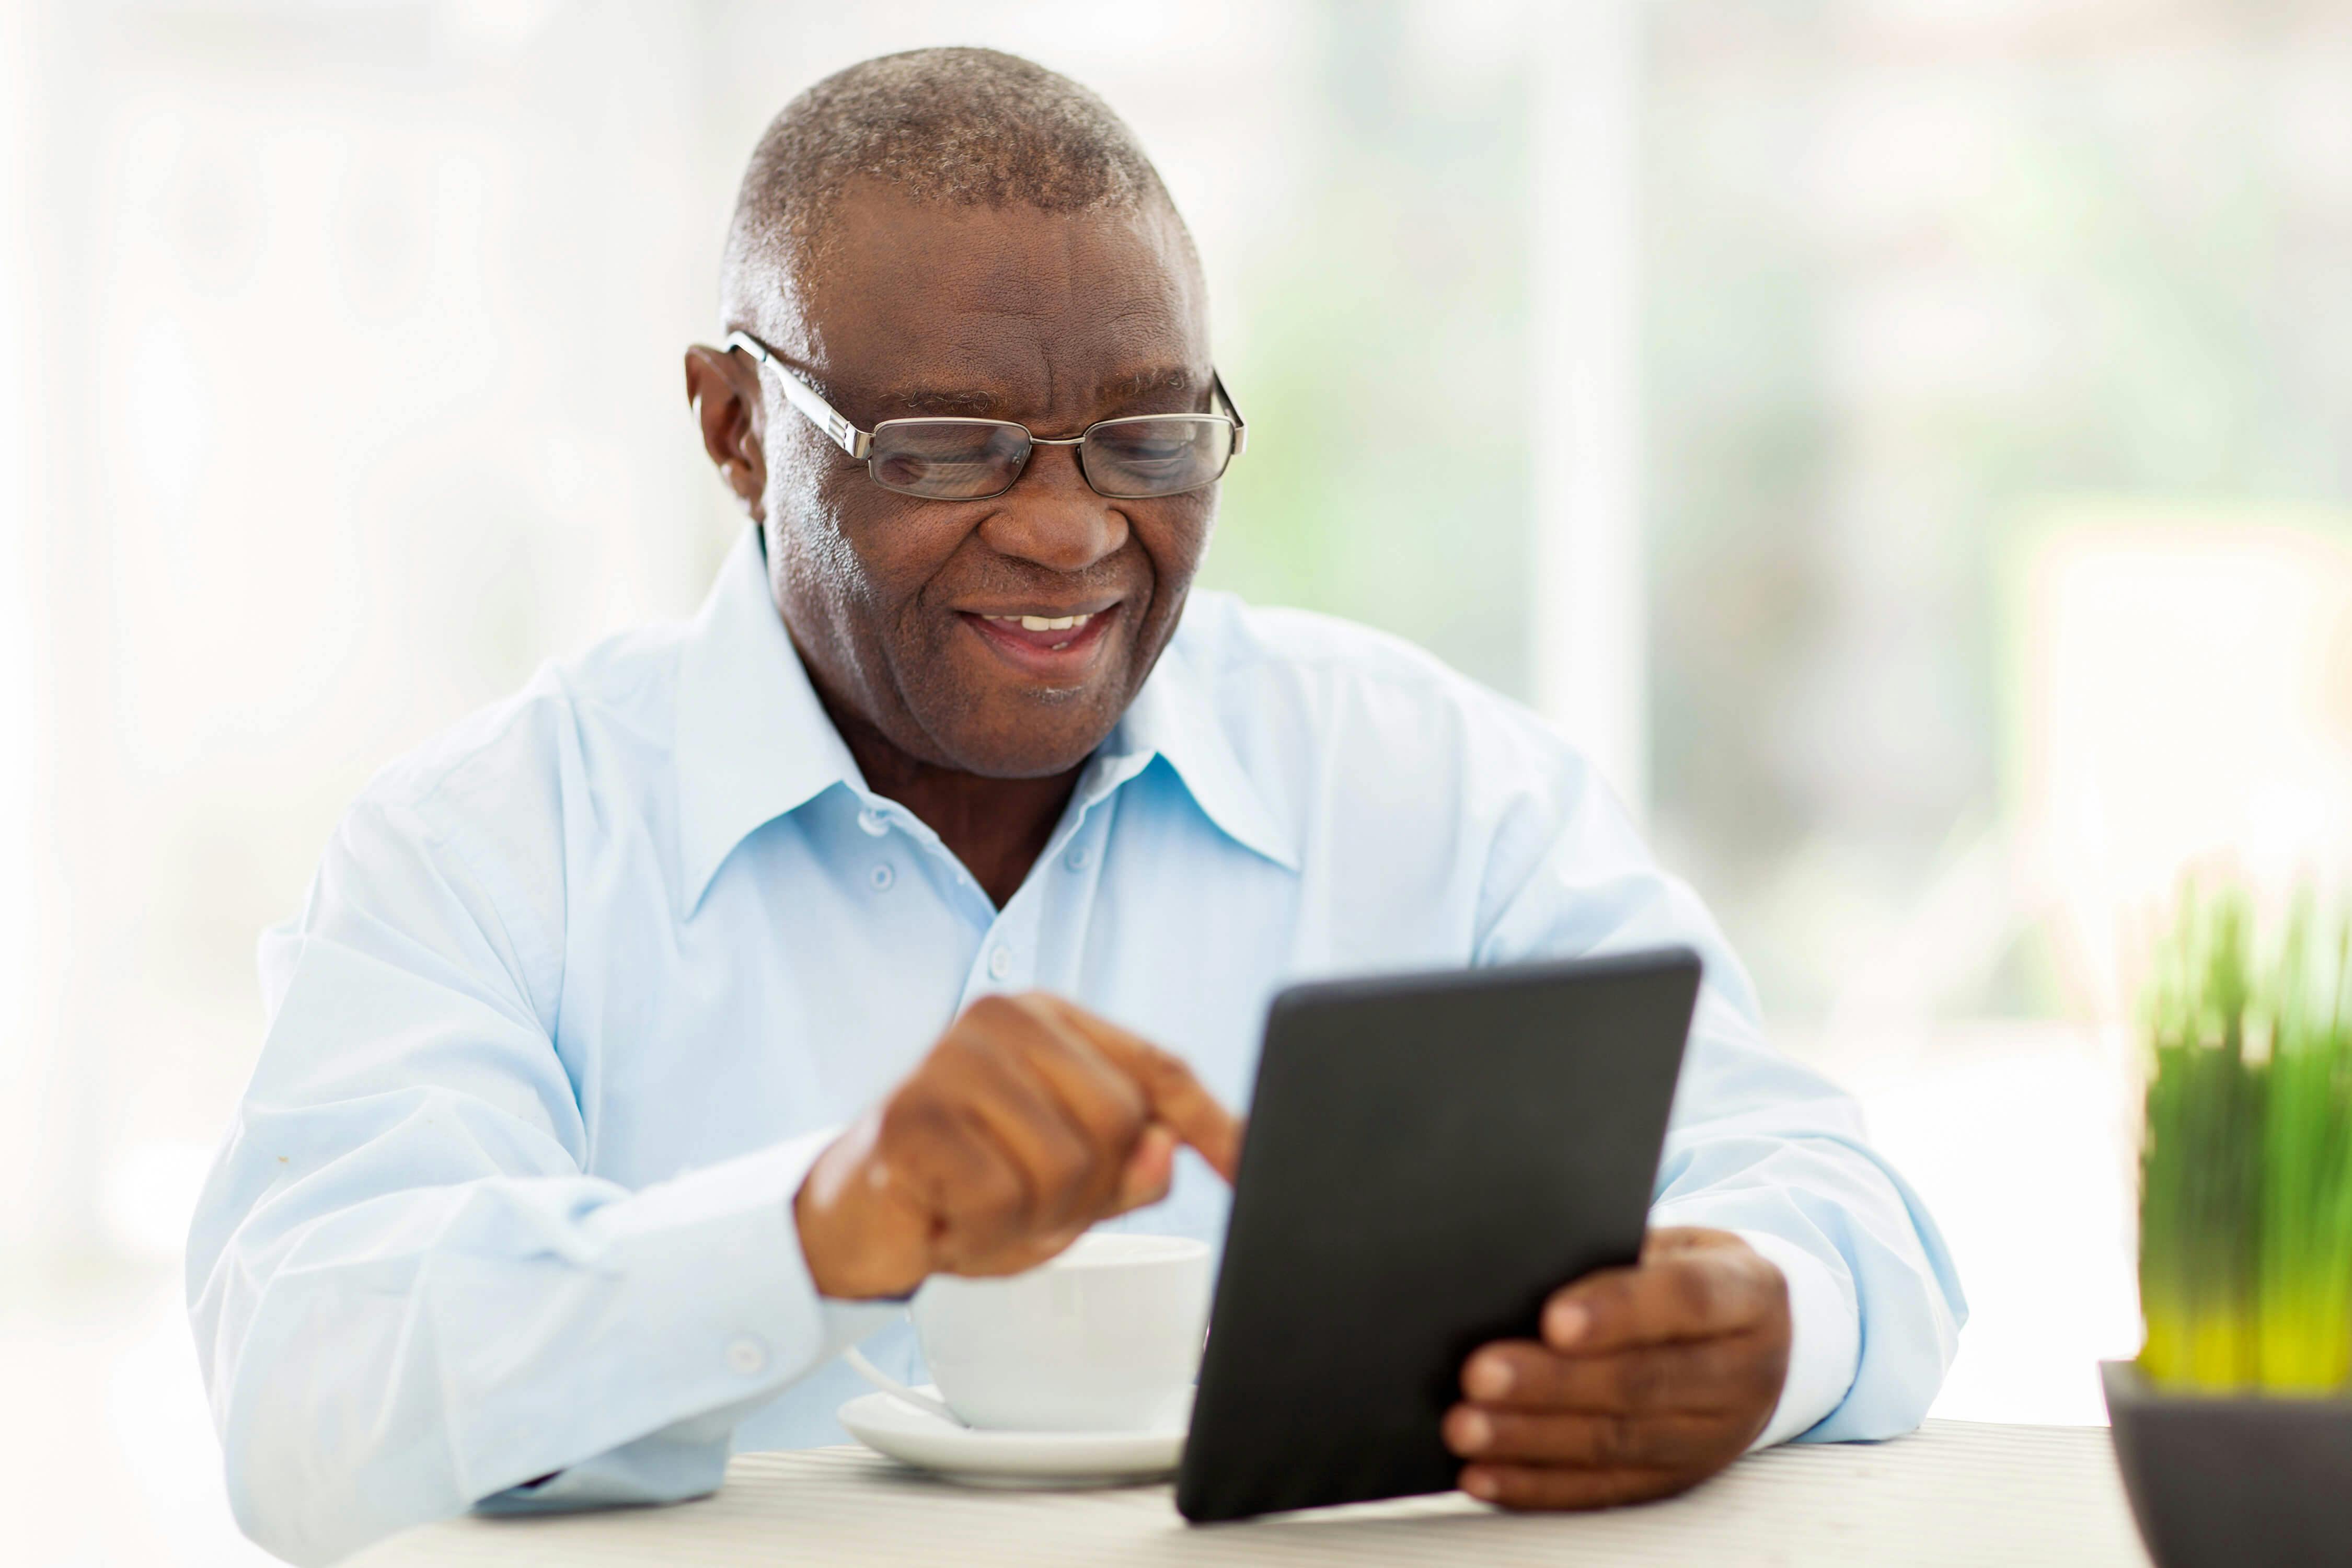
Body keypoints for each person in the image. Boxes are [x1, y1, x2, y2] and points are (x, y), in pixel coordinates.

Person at [187, 47, 1963, 1567]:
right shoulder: (493, 844)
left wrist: (1760, 1322)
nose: (1070, 529)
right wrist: (814, 1228)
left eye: (1150, 435)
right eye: (944, 447)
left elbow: (1833, 1195)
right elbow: (306, 1393)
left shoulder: (1430, 786)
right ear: (734, 428)